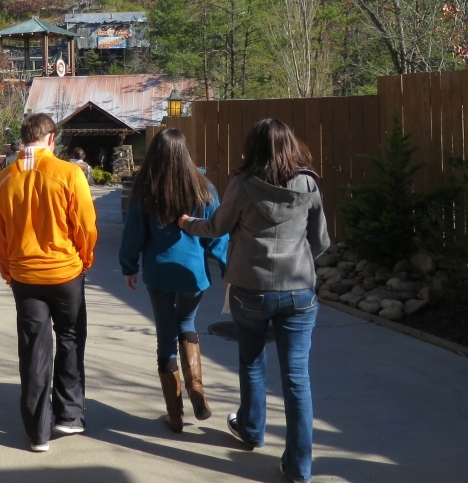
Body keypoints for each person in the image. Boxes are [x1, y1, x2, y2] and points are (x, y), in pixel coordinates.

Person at [179, 119, 329, 483]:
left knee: (251, 361)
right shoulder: (308, 184)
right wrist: (298, 261)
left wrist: (186, 223)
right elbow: (321, 241)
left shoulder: (243, 185)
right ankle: (299, 467)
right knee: (297, 379)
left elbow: (215, 227)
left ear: (254, 148)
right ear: (291, 146)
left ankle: (251, 429)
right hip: (298, 292)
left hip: (250, 289)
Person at [0, 113, 98, 453]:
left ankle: (38, 431)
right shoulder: (69, 174)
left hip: (24, 275)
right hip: (65, 272)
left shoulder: (3, 180)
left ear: (25, 139)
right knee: (69, 338)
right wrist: (85, 258)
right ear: (52, 138)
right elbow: (85, 225)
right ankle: (68, 414)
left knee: (34, 348)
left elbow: (0, 235)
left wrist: (8, 270)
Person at [118, 129, 227, 433]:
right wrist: (226, 268)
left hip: (159, 273)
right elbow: (216, 231)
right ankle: (197, 389)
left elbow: (133, 234)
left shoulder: (145, 188)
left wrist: (129, 267)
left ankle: (175, 414)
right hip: (193, 274)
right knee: (187, 324)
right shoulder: (203, 187)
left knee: (166, 336)